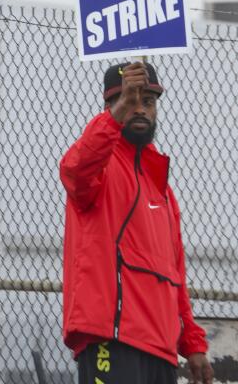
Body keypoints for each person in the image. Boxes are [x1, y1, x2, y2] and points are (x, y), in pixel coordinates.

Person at [59, 61, 213, 384]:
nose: (139, 109)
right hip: (110, 340)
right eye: (129, 101)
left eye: (148, 101)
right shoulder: (100, 165)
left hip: (160, 350)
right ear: (109, 107)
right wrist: (119, 112)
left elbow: (176, 274)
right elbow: (74, 169)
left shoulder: (163, 188)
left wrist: (193, 342)